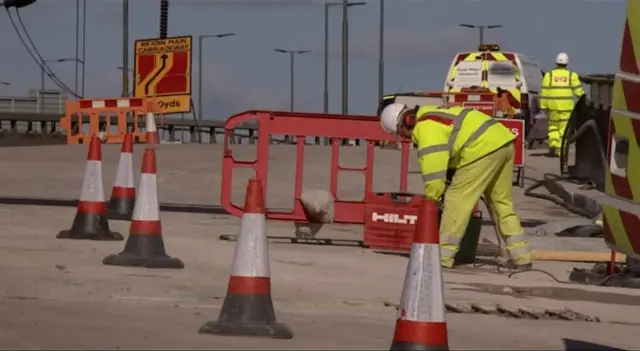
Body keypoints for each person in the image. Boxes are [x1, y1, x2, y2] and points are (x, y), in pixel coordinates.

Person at [379, 103, 533, 270]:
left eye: (400, 133)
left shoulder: (426, 128)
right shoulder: (433, 113)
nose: (403, 138)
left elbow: (434, 172)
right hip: (503, 142)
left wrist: (433, 199)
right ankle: (521, 257)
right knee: (501, 203)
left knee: (455, 201)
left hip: (481, 148)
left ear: (406, 123)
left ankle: (442, 258)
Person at [540, 53, 585, 157]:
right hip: (567, 107)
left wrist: (543, 106)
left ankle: (553, 144)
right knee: (564, 129)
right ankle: (561, 151)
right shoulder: (571, 75)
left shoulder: (549, 75)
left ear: (556, 62)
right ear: (567, 63)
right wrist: (584, 101)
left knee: (553, 127)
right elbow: (579, 91)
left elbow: (544, 91)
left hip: (553, 107)